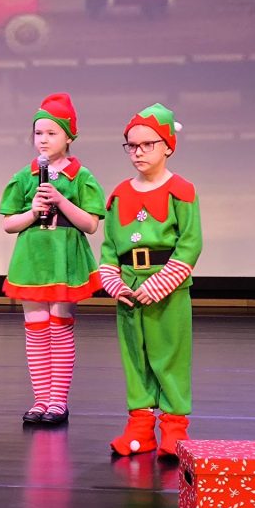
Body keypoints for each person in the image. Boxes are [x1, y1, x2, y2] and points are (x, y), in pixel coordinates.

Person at [101, 103, 201, 458]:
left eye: (147, 144)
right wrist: (115, 283)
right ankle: (140, 427)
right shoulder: (119, 195)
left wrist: (158, 285)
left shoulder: (181, 191)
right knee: (135, 356)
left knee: (170, 354)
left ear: (168, 146)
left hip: (167, 290)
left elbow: (190, 244)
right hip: (130, 289)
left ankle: (174, 428)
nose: (138, 152)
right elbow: (109, 249)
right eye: (132, 146)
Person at [0, 93, 105, 425]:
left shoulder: (81, 176)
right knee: (35, 329)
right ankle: (40, 400)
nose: (43, 140)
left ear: (69, 136)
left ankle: (58, 401)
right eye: (38, 133)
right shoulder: (24, 176)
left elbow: (90, 224)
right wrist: (32, 212)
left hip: (64, 258)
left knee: (59, 328)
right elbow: (8, 223)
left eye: (51, 133)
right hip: (33, 258)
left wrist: (60, 200)